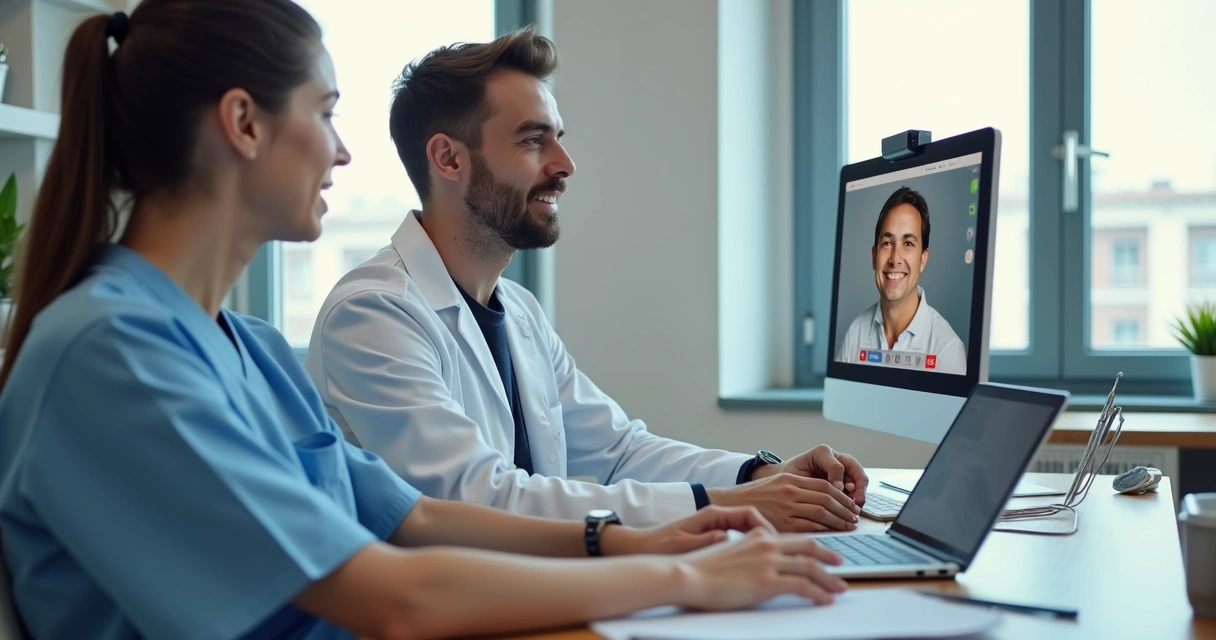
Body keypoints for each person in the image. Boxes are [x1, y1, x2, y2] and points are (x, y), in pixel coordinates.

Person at [0, 3, 849, 639]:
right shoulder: (112, 352)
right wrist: (682, 572)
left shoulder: (248, 347)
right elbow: (396, 593)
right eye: (326, 111)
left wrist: (661, 533)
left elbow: (413, 517)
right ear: (244, 124)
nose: (342, 150)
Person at [305, 28, 870, 535]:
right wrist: (725, 505)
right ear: (448, 159)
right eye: (532, 140)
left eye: (558, 137)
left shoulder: (518, 311)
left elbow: (617, 451)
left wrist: (760, 474)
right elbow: (475, 501)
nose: (565, 162)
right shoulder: (373, 314)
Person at [835, 186, 966, 375]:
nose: (895, 259)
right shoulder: (856, 332)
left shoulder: (947, 349)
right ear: (874, 256)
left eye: (908, 244)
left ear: (923, 259)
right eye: (887, 243)